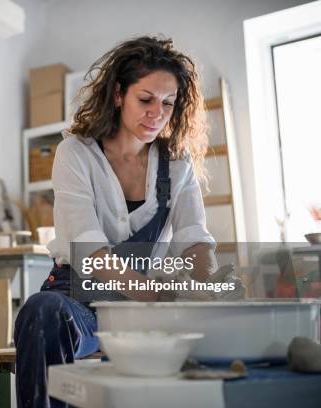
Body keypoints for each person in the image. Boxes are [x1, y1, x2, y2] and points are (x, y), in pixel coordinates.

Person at [14, 36, 218, 407]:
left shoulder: (177, 165)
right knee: (41, 312)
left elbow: (194, 240)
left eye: (168, 104)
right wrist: (156, 294)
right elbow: (89, 251)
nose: (157, 113)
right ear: (119, 94)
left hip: (141, 313)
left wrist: (212, 289)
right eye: (146, 99)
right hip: (78, 302)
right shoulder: (76, 153)